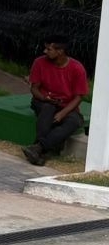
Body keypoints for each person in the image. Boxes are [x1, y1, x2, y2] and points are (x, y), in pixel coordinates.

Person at [23, 36, 89, 166]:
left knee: (75, 121)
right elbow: (34, 89)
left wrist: (63, 113)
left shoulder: (77, 68)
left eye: (49, 49)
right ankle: (40, 150)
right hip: (42, 101)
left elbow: (79, 97)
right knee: (48, 109)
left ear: (60, 51)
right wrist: (44, 98)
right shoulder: (39, 62)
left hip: (65, 105)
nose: (45, 51)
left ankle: (38, 148)